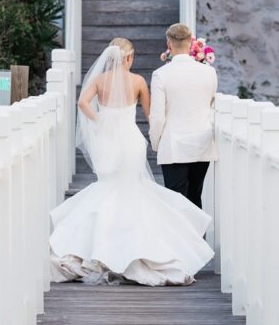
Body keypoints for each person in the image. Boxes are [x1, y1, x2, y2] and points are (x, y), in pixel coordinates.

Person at [49, 37, 214, 286]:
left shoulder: (99, 80)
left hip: (106, 140)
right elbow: (151, 114)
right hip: (130, 141)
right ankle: (133, 248)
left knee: (108, 188)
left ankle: (99, 246)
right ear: (128, 58)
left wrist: (99, 121)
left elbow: (82, 102)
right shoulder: (137, 81)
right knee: (132, 188)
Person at [149, 22, 217, 209]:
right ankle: (195, 238)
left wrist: (156, 142)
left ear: (169, 44)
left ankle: (181, 238)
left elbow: (157, 117)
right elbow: (211, 103)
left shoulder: (160, 74)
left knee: (175, 202)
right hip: (202, 143)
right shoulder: (209, 72)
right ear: (191, 43)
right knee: (195, 197)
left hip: (174, 145)